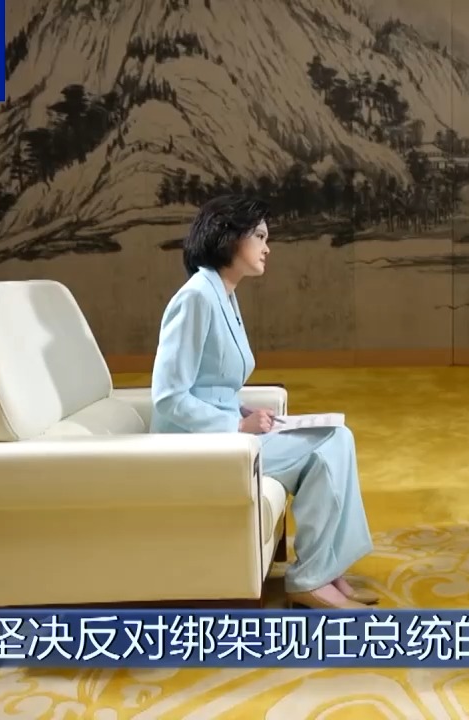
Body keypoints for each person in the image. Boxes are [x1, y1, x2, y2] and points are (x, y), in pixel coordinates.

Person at [150, 194, 376, 610]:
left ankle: (325, 569)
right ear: (228, 237)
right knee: (330, 443)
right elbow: (168, 397)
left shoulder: (223, 292)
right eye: (259, 237)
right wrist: (236, 426)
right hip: (195, 445)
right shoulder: (197, 297)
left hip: (222, 434)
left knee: (337, 435)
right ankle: (311, 579)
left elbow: (210, 384)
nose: (267, 248)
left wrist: (243, 411)